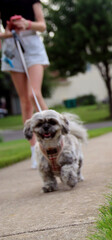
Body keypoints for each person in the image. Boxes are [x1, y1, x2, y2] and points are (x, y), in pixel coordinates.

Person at [0, 0, 50, 169]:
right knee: (25, 103)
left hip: (32, 45)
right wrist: (9, 31)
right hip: (11, 48)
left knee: (34, 94)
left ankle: (54, 139)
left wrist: (26, 24)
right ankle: (34, 150)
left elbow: (42, 25)